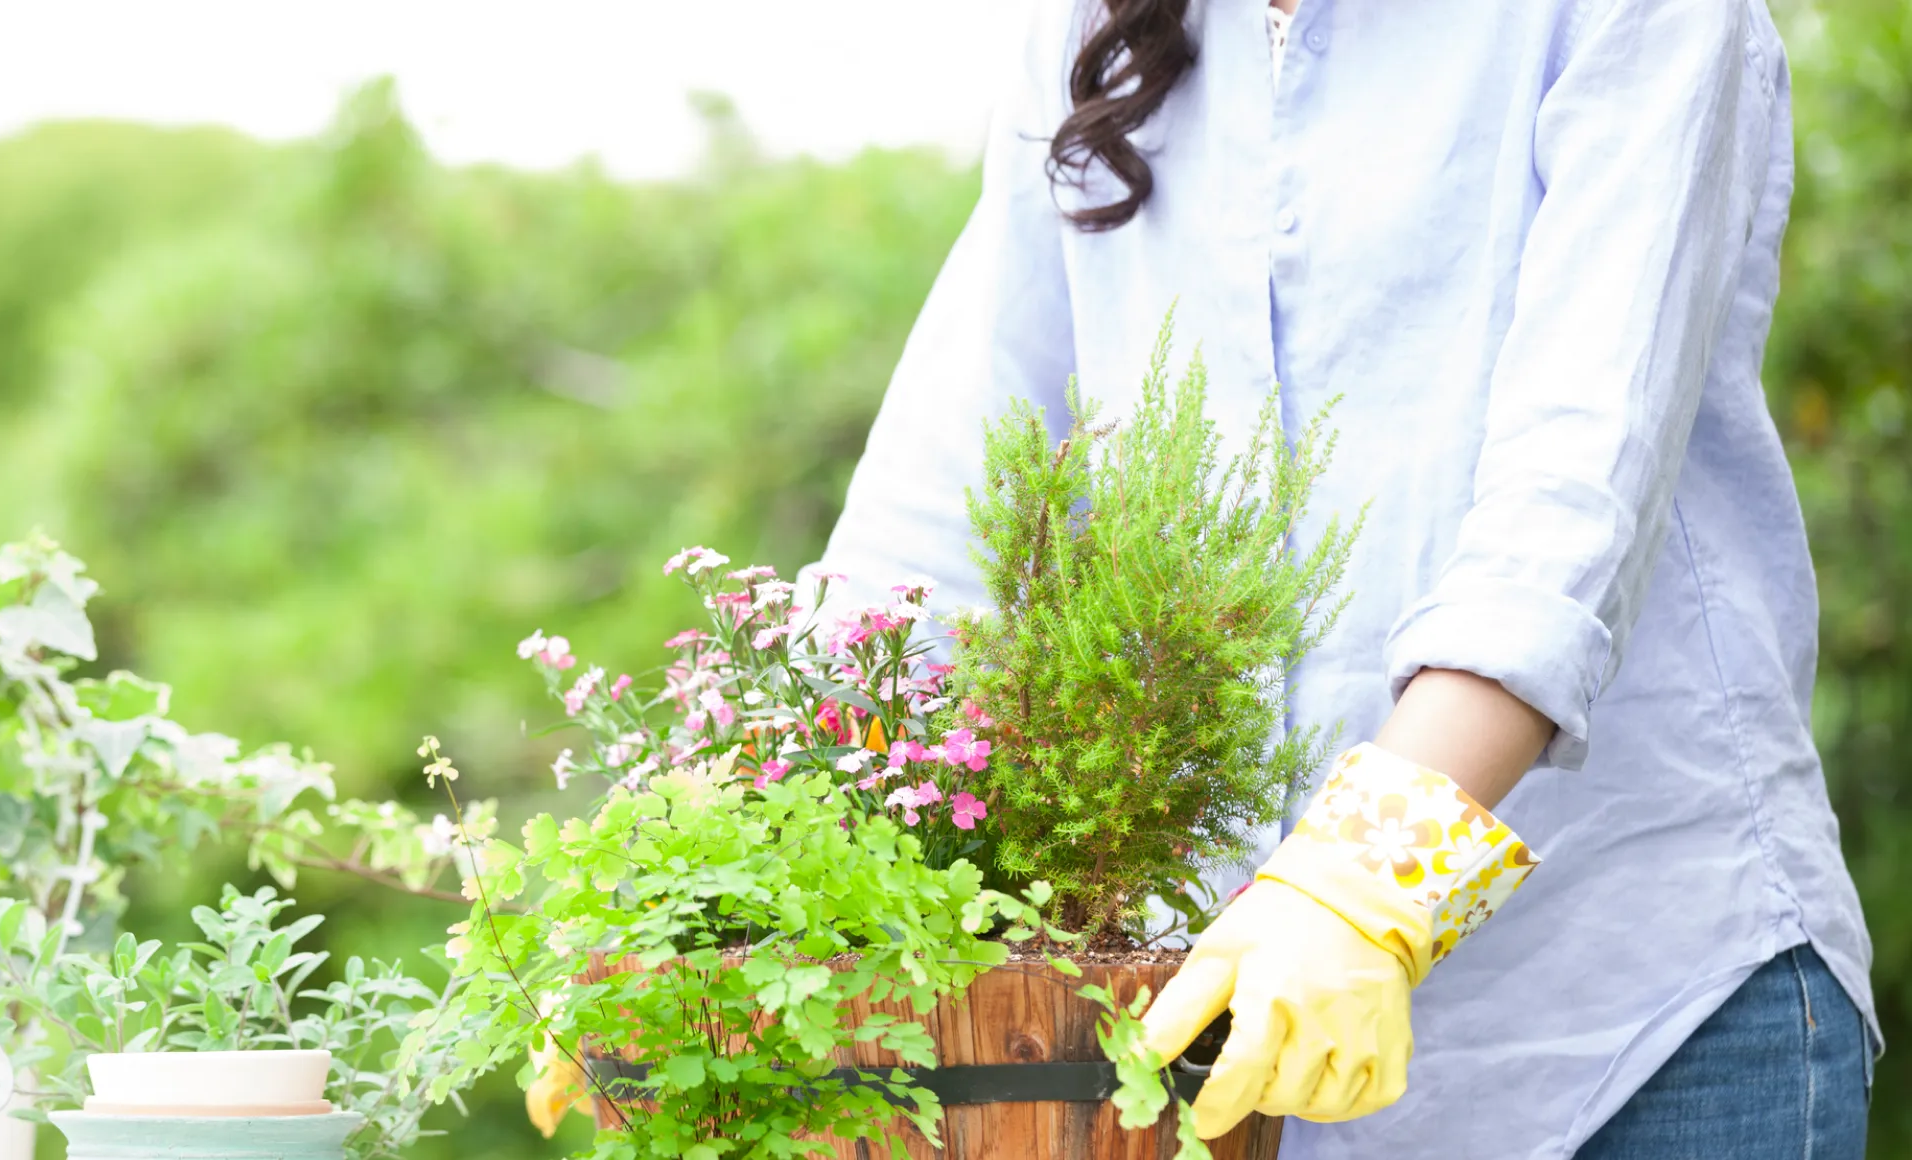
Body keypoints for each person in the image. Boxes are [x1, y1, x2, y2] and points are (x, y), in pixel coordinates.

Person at [804, 0, 1876, 1156]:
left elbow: (1574, 484)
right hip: (1233, 1026)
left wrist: (1361, 880)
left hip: (1636, 1021)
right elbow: (941, 502)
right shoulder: (1094, 30)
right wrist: (747, 857)